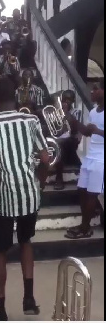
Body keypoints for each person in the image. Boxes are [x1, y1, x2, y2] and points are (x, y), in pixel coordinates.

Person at [0, 77, 49, 321]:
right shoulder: (31, 120)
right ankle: (29, 299)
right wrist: (41, 183)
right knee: (26, 242)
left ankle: (2, 311)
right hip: (29, 193)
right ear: (15, 98)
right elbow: (45, 159)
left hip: (2, 197)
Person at [65, 80, 104, 239]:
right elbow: (88, 132)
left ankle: (85, 227)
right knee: (82, 190)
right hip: (90, 156)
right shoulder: (94, 111)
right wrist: (73, 121)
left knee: (92, 194)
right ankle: (84, 225)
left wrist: (99, 131)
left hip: (101, 158)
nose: (92, 92)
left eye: (95, 89)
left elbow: (95, 131)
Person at [54, 90, 82, 190]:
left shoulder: (76, 112)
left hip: (72, 139)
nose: (66, 102)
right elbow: (55, 129)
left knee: (60, 144)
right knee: (58, 143)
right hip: (60, 140)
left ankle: (59, 177)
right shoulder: (56, 112)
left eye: (69, 100)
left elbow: (74, 129)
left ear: (73, 101)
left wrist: (65, 112)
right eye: (64, 99)